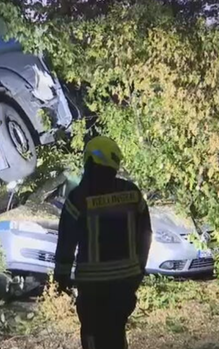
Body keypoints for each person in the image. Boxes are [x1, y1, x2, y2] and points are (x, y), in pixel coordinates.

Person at [54, 136, 152, 349]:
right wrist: (139, 269)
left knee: (93, 334)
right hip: (125, 284)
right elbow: (145, 235)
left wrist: (61, 276)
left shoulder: (79, 198)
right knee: (116, 330)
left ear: (90, 161)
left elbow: (66, 242)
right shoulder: (132, 193)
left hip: (93, 287)